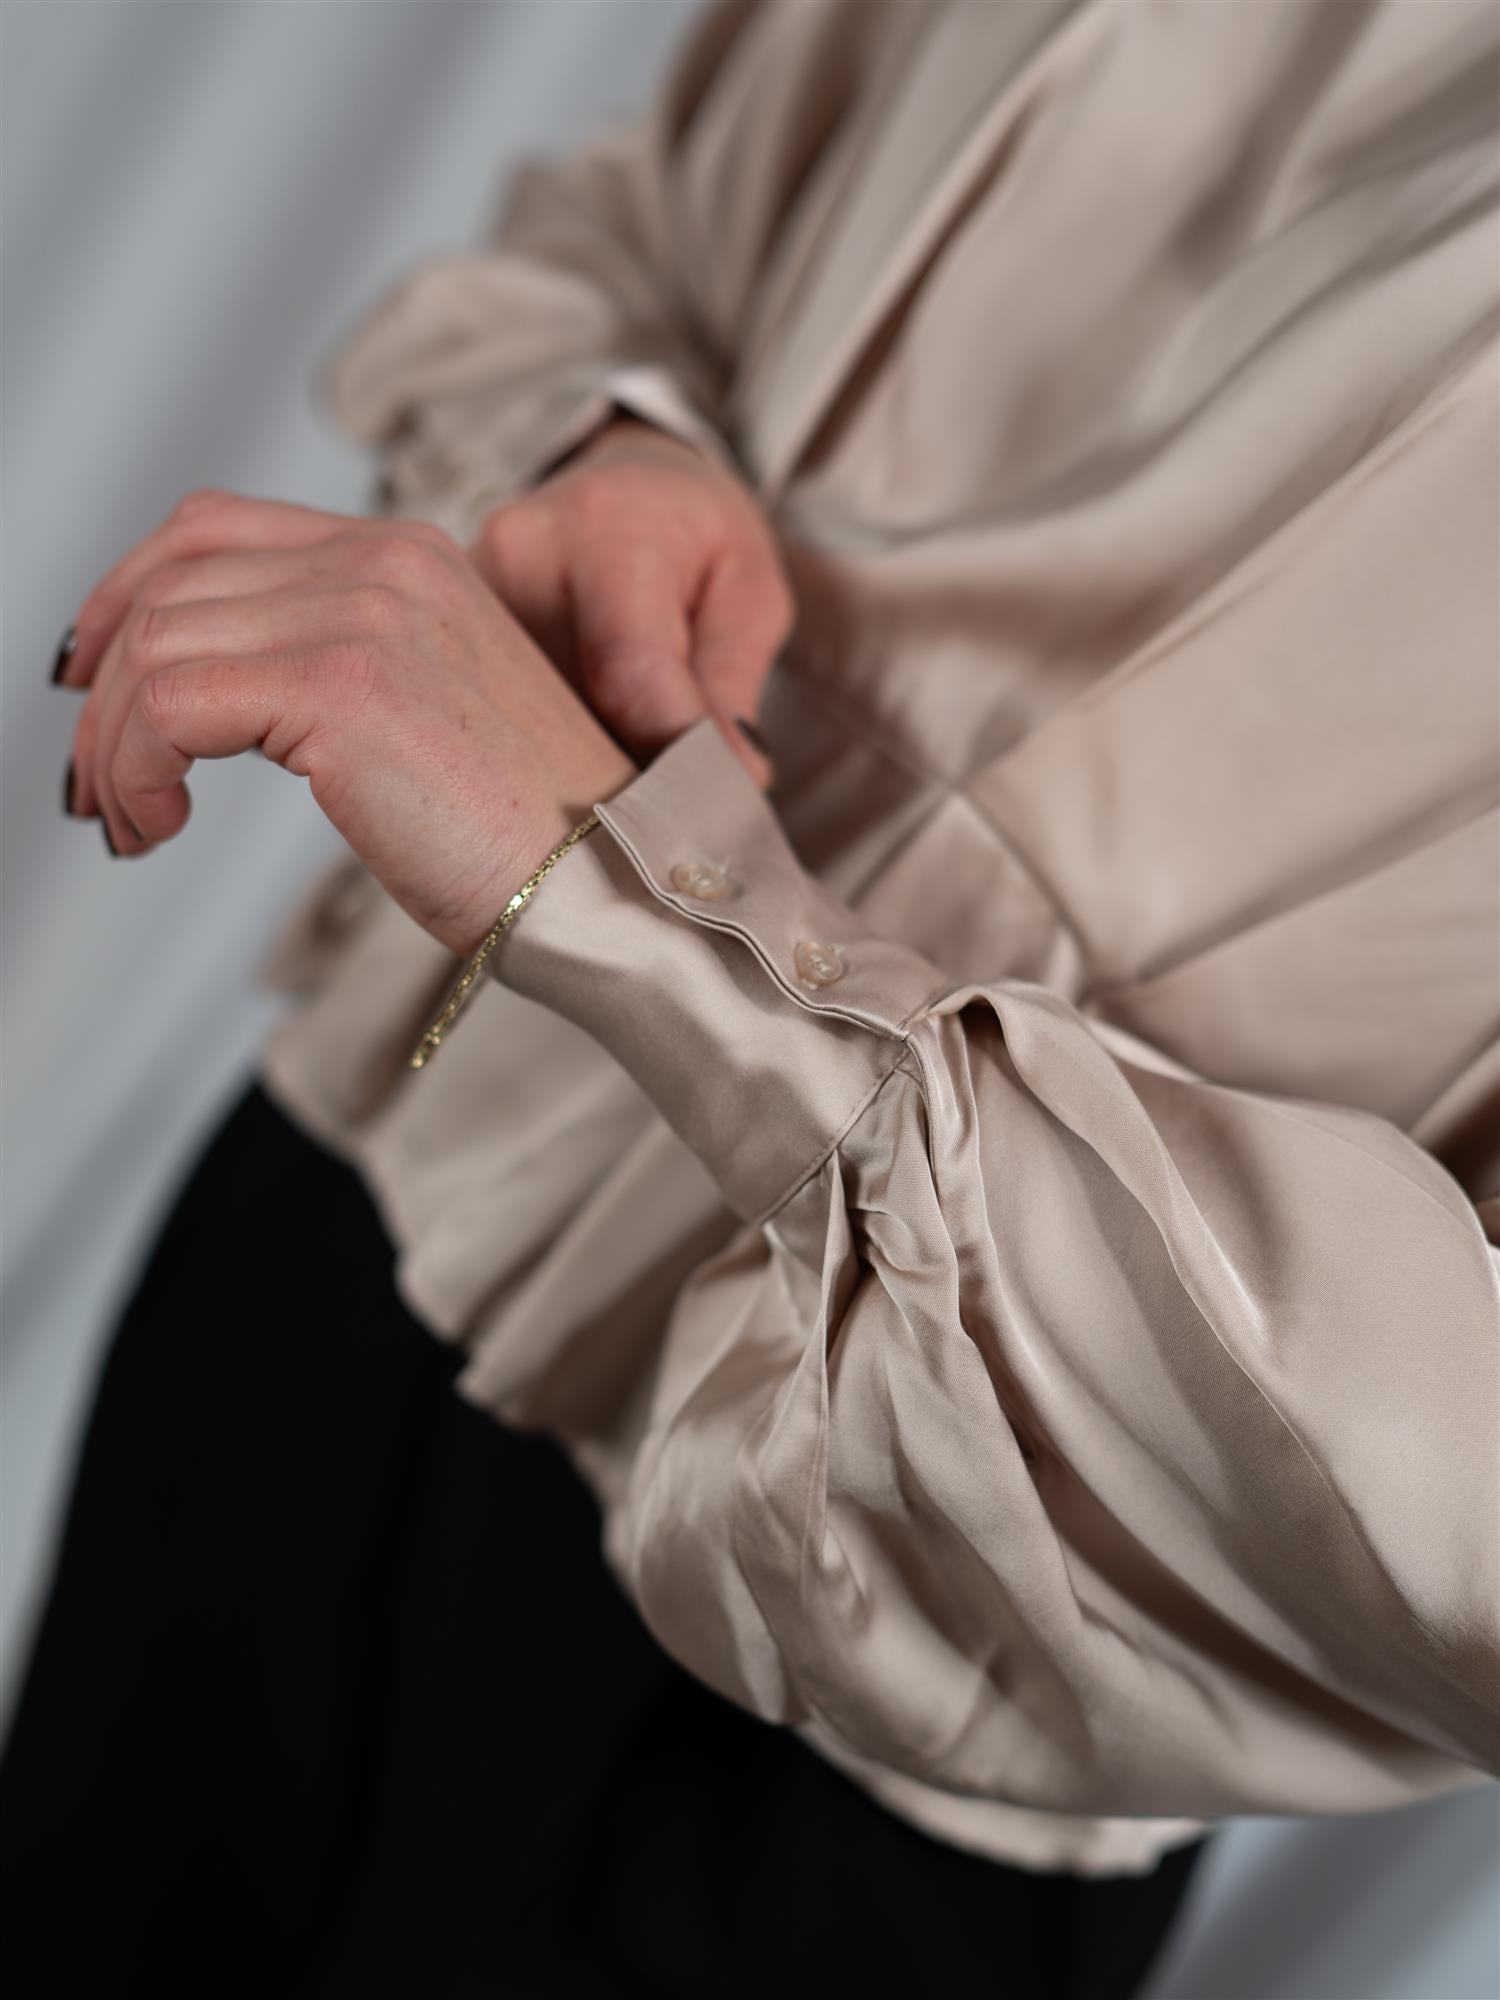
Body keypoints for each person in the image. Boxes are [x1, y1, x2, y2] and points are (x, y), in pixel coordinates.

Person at [4, 0, 1498, 1994]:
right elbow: (642, 223)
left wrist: (657, 903)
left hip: (884, 1689)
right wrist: (615, 447)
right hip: (362, 1247)